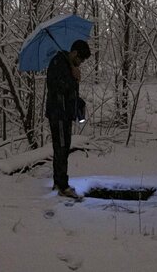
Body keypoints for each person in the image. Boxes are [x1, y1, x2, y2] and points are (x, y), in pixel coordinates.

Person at [45, 39, 91, 199]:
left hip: (65, 114)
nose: (81, 63)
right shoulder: (58, 62)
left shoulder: (70, 65)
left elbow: (71, 94)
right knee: (62, 148)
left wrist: (79, 103)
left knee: (63, 148)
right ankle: (62, 186)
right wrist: (72, 77)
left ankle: (59, 182)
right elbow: (56, 86)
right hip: (58, 114)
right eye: (81, 59)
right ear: (75, 53)